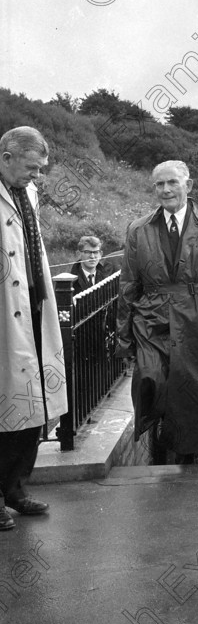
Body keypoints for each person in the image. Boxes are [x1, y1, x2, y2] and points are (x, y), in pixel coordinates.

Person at [116, 160, 198, 461]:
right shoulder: (139, 229)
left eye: (172, 182)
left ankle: (197, 458)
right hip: (152, 321)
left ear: (188, 185)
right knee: (151, 381)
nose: (166, 190)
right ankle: (164, 447)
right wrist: (125, 338)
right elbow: (128, 285)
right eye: (159, 184)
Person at [0, 127, 66, 531]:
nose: (37, 176)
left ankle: (15, 489)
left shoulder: (27, 194)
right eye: (31, 167)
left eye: (40, 169)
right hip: (5, 315)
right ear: (7, 157)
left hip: (31, 309)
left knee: (29, 402)